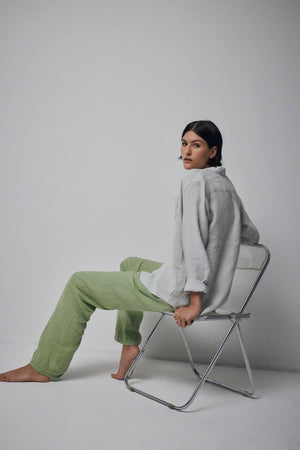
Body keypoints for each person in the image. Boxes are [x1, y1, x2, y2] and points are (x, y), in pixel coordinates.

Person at [0, 120, 260, 383]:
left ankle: (44, 367)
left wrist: (194, 304)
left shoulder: (194, 182)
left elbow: (193, 246)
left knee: (78, 284)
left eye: (197, 145)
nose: (188, 152)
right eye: (184, 144)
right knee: (130, 263)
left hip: (185, 291)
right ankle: (129, 345)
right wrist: (220, 236)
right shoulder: (225, 184)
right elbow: (250, 234)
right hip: (213, 288)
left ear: (212, 151)